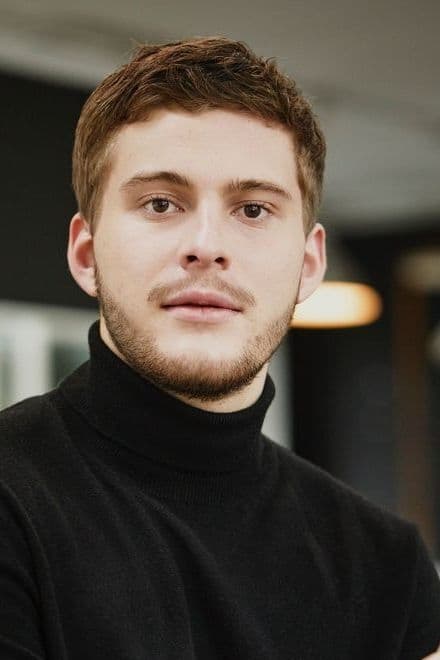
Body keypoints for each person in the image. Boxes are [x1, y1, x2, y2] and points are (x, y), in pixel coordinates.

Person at [0, 36, 439, 660]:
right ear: (86, 253)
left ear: (309, 264)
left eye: (253, 210)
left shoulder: (387, 566)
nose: (206, 245)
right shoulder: (12, 503)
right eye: (161, 203)